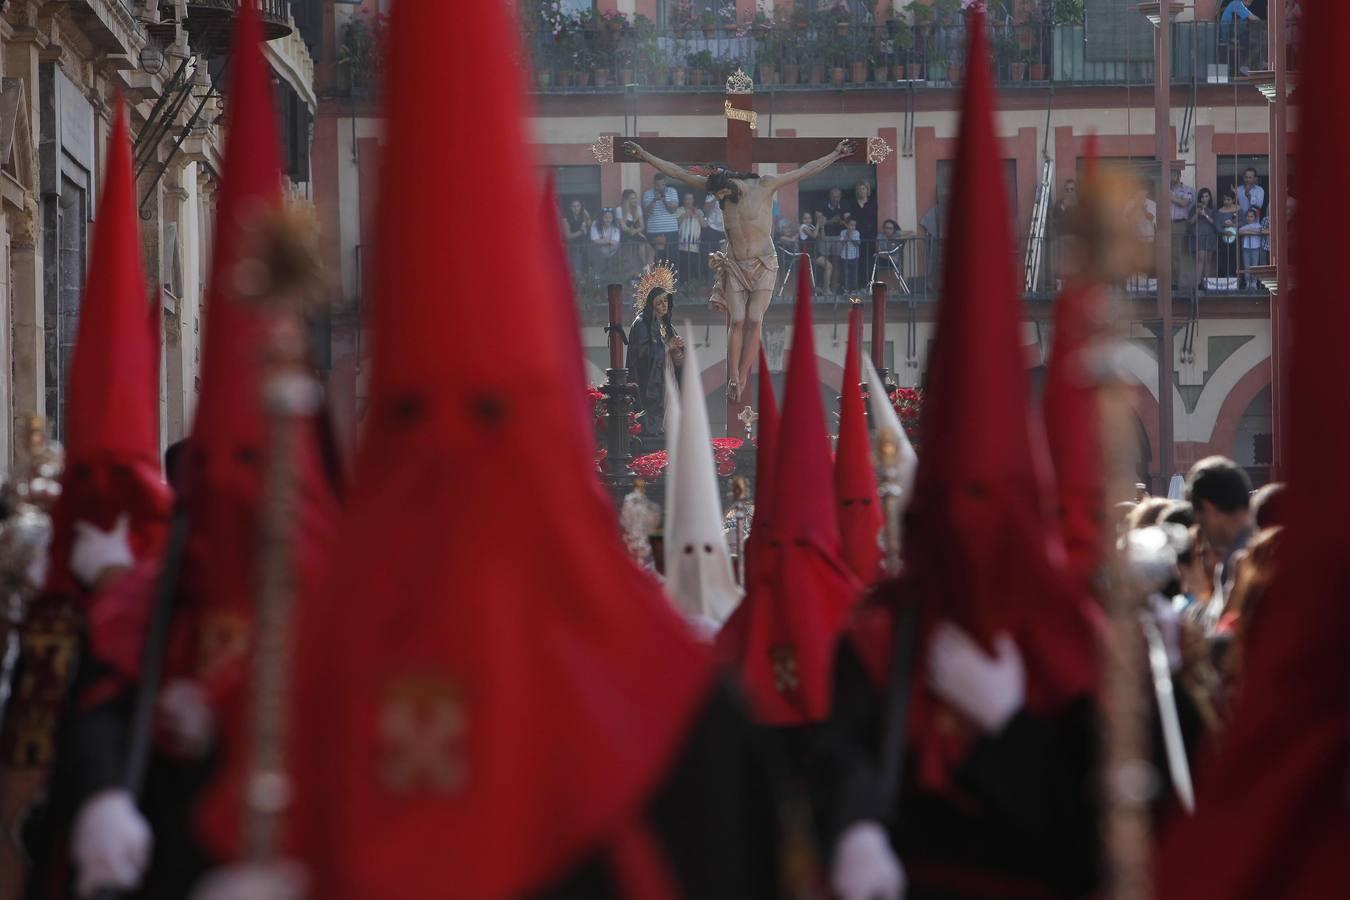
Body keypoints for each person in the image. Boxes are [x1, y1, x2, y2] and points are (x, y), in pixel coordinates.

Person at [624, 137, 854, 400]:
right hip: (734, 264)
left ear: (732, 186)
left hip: (764, 262)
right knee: (737, 320)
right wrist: (644, 155)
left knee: (755, 320)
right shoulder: (718, 188)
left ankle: (743, 376)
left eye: (722, 196)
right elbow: (676, 171)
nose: (719, 201)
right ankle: (732, 375)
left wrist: (835, 154)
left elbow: (804, 170)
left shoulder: (765, 185)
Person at [1185, 455, 1253, 617]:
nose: (1200, 528)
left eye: (1199, 518)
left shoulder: (1236, 562)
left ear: (1209, 510)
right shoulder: (1259, 546)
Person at [626, 262, 686, 436]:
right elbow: (642, 356)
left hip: (668, 379)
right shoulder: (641, 324)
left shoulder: (667, 325)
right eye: (659, 303)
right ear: (651, 305)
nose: (664, 306)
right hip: (650, 382)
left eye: (665, 301)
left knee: (672, 414)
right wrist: (667, 347)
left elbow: (678, 362)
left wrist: (678, 351)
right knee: (655, 419)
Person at [642, 171, 679, 264]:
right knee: (655, 258)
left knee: (671, 258)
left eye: (662, 185)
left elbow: (673, 210)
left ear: (665, 183)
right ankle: (655, 278)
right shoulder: (647, 194)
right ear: (654, 184)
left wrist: (664, 200)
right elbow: (646, 213)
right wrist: (654, 200)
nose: (660, 187)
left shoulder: (672, 191)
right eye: (658, 185)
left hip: (671, 230)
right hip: (654, 231)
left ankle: (672, 278)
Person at [846, 181, 879, 288]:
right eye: (859, 189)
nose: (861, 191)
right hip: (855, 237)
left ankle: (870, 285)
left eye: (863, 189)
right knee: (857, 262)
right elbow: (847, 219)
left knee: (869, 262)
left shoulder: (872, 204)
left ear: (867, 190)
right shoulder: (852, 204)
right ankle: (858, 286)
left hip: (870, 237)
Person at [1169, 169, 1195, 289]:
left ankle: (1175, 283)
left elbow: (1184, 203)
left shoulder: (1187, 190)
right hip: (1165, 224)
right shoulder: (1165, 188)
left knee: (1176, 254)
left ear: (1179, 176)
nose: (1170, 177)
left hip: (1179, 223)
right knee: (1165, 254)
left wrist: (1169, 197)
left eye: (1172, 175)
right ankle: (1167, 282)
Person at [820, 186, 848, 294]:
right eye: (833, 196)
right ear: (829, 196)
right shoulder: (823, 207)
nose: (835, 199)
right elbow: (820, 223)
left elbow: (849, 224)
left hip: (838, 237)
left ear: (840, 197)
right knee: (826, 264)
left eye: (837, 197)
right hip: (825, 237)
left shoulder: (844, 207)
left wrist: (841, 221)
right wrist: (831, 221)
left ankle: (834, 289)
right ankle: (825, 288)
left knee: (836, 264)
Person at [1191, 187, 1218, 288]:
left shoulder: (1213, 209)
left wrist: (1205, 214)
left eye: (1206, 196)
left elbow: (1215, 222)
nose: (1204, 199)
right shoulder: (1194, 208)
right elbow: (1191, 222)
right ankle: (1198, 283)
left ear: (1209, 197)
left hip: (1210, 236)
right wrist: (1198, 213)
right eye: (1202, 197)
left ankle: (1207, 283)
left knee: (1208, 260)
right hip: (1199, 235)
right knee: (1200, 258)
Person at [616, 188, 649, 271]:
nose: (635, 200)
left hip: (634, 231)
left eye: (635, 197)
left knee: (646, 243)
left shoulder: (638, 209)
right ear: (626, 200)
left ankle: (645, 266)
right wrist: (634, 231)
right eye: (633, 198)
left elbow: (642, 226)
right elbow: (623, 227)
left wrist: (636, 232)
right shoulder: (619, 209)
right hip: (624, 233)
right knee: (640, 241)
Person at [675, 191, 705, 282]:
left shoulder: (699, 211)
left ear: (693, 200)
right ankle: (682, 287)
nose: (688, 201)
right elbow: (676, 223)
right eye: (687, 199)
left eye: (690, 199)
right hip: (682, 245)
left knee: (693, 267)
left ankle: (693, 286)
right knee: (683, 267)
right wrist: (684, 215)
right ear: (683, 200)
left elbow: (704, 225)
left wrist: (699, 216)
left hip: (694, 246)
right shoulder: (679, 210)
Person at [560, 198, 591, 274]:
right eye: (574, 206)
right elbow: (568, 236)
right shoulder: (565, 219)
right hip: (573, 248)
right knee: (577, 271)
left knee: (587, 270)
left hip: (585, 246)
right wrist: (581, 231)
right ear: (570, 208)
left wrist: (586, 213)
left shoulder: (583, 216)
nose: (576, 208)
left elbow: (590, 223)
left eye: (578, 206)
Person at [1216, 190, 1242, 280]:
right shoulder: (1220, 211)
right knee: (1225, 258)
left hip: (1237, 239)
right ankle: (1225, 278)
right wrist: (1224, 231)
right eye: (1224, 199)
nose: (1226, 201)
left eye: (1228, 199)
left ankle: (1237, 279)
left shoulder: (1238, 209)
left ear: (1233, 199)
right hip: (1224, 239)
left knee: (1236, 258)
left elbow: (1243, 222)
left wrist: (1233, 225)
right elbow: (1217, 225)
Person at [1238, 207, 1265, 288]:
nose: (1249, 218)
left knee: (1254, 265)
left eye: (1251, 216)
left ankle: (1254, 282)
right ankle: (1247, 282)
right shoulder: (1244, 225)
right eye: (1248, 216)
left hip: (1255, 248)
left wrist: (1248, 231)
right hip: (1246, 248)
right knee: (1246, 265)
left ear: (1255, 217)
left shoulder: (1258, 225)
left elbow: (1259, 231)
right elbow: (1240, 231)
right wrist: (1251, 231)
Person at [702, 192, 727, 271]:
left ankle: (723, 273)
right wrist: (716, 197)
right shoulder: (711, 195)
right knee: (712, 254)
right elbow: (706, 209)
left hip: (726, 228)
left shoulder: (730, 194)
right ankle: (710, 275)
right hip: (712, 228)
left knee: (725, 253)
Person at [840, 214, 861, 291]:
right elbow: (842, 243)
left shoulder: (857, 233)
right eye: (851, 225)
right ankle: (846, 288)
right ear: (846, 225)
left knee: (854, 274)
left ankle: (854, 289)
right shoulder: (842, 232)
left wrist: (851, 236)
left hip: (854, 257)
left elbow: (857, 243)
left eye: (854, 225)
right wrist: (847, 235)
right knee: (846, 274)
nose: (853, 227)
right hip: (845, 257)